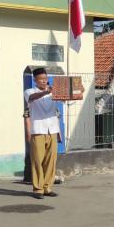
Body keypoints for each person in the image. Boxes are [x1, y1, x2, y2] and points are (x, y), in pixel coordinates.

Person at [24, 67, 66, 199]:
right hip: (38, 130)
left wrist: (77, 90)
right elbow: (32, 98)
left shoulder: (54, 91)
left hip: (52, 129)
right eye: (41, 79)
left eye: (45, 78)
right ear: (35, 80)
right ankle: (38, 189)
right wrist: (46, 92)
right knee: (37, 160)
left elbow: (66, 98)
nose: (44, 81)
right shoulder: (30, 91)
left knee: (51, 160)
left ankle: (48, 187)